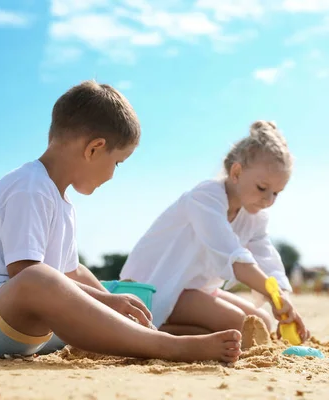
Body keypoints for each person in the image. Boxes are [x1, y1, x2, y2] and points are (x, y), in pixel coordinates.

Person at [0, 81, 242, 363]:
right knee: (40, 278)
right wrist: (107, 303)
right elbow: (25, 273)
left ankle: (148, 335)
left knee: (93, 302)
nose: (114, 173)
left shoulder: (61, 200)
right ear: (94, 149)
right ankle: (167, 346)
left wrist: (110, 299)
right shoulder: (29, 187)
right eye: (117, 163)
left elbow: (71, 272)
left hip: (30, 330)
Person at [119, 120, 309, 342]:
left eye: (276, 193)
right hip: (157, 287)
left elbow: (268, 261)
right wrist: (272, 295)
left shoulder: (254, 216)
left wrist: (284, 303)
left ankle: (191, 334)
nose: (269, 200)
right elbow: (233, 256)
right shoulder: (206, 198)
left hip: (196, 290)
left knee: (262, 324)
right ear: (236, 172)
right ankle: (152, 331)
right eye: (262, 188)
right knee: (240, 326)